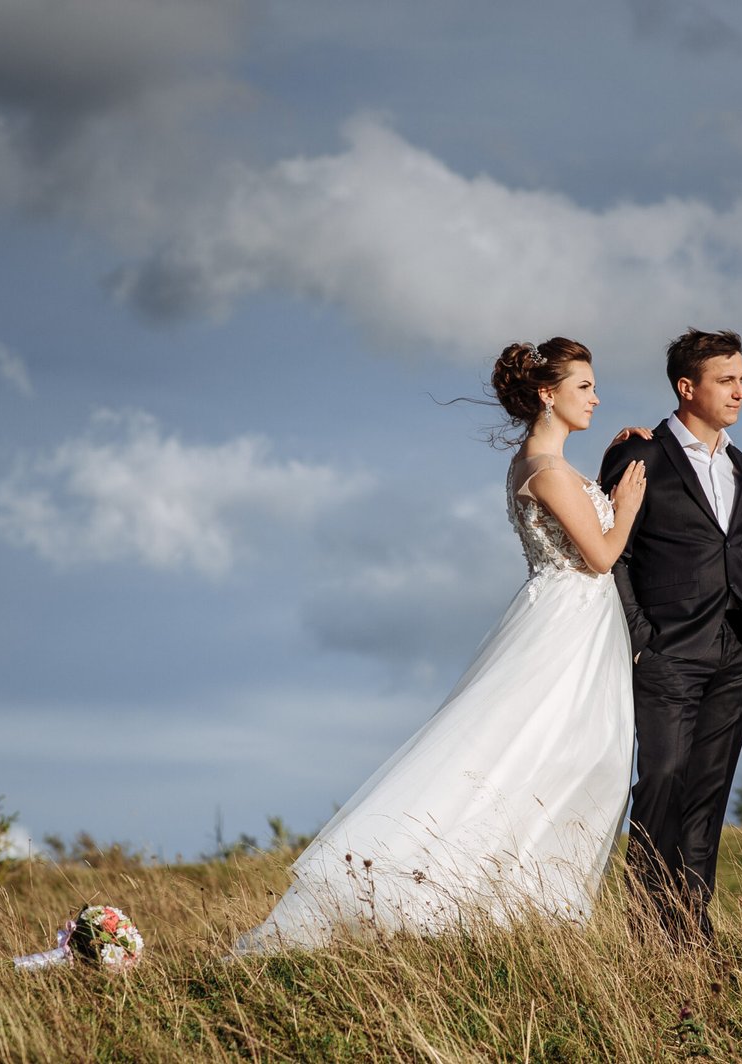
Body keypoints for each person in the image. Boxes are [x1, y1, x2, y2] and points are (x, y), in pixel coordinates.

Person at [234, 337, 647, 953]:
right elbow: (603, 553)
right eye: (584, 386)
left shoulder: (545, 464)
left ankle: (528, 914)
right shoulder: (546, 470)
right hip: (564, 630)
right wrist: (626, 504)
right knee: (535, 762)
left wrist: (617, 458)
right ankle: (483, 905)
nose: (595, 396)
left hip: (578, 627)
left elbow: (580, 511)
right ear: (547, 393)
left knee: (571, 761)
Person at [599, 328, 742, 944]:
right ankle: (648, 936)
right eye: (726, 380)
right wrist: (639, 638)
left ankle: (691, 934)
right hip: (667, 652)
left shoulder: (741, 465)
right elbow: (613, 553)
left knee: (707, 796)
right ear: (688, 387)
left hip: (736, 654)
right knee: (663, 785)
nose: (739, 392)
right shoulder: (639, 456)